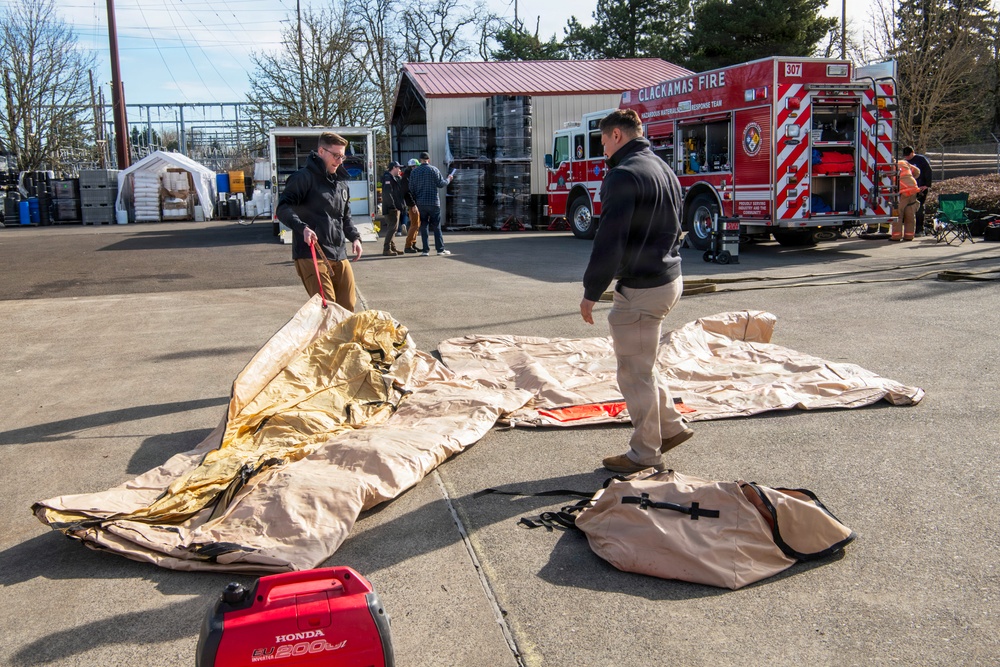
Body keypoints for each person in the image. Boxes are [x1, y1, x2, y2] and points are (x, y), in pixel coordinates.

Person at [579, 109, 692, 474]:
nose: (603, 150)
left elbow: (610, 239)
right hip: (669, 278)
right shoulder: (662, 167)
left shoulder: (623, 175)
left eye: (603, 142)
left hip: (643, 287)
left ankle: (645, 453)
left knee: (634, 373)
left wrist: (591, 291)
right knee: (643, 364)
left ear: (617, 135)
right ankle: (670, 427)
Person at [276, 131, 363, 311]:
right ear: (321, 151)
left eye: (342, 156)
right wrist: (302, 228)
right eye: (336, 155)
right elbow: (283, 208)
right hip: (312, 253)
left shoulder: (341, 183)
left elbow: (345, 215)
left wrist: (355, 237)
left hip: (338, 252)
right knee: (328, 308)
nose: (339, 161)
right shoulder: (303, 178)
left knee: (347, 306)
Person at [407, 151, 454, 256]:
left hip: (421, 203)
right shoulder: (434, 170)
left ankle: (425, 250)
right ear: (428, 160)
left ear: (420, 160)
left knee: (424, 226)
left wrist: (414, 202)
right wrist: (448, 179)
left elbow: (411, 188)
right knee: (436, 226)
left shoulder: (414, 172)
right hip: (433, 202)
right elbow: (441, 184)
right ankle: (440, 250)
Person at [902, 146, 932, 235]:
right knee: (908, 209)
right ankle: (909, 230)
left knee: (919, 208)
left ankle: (919, 229)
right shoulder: (905, 162)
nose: (907, 157)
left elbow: (928, 171)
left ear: (912, 152)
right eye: (905, 156)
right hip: (909, 189)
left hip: (920, 188)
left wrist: (926, 185)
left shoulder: (921, 159)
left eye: (908, 155)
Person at [379, 161, 405, 256]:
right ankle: (387, 249)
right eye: (398, 168)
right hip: (391, 208)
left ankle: (392, 248)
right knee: (392, 228)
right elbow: (387, 194)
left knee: (393, 228)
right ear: (394, 168)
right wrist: (392, 206)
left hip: (395, 207)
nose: (400, 170)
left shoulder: (394, 178)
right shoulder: (388, 179)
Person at [892, 159, 921, 242]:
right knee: (910, 213)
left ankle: (896, 236)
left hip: (902, 191)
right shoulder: (903, 162)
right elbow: (917, 171)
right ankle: (909, 235)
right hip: (913, 188)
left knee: (898, 213)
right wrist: (910, 178)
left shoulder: (889, 166)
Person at [401, 158, 421, 253]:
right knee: (414, 225)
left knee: (417, 224)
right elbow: (407, 193)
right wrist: (413, 204)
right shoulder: (407, 178)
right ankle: (408, 246)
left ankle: (412, 243)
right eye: (416, 166)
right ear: (413, 167)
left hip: (413, 203)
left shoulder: (410, 176)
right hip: (412, 204)